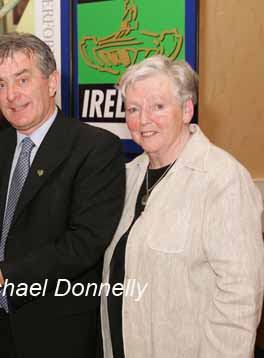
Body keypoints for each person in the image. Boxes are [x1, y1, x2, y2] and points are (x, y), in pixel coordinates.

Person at [0, 32, 126, 357]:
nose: (11, 96)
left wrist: (4, 274)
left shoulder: (95, 148)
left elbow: (84, 244)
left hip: (60, 334)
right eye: (0, 84)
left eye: (22, 80)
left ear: (52, 81)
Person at [100, 55, 264, 357]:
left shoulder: (223, 180)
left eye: (158, 106)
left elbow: (240, 300)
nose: (143, 119)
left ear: (187, 109)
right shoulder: (128, 175)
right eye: (133, 109)